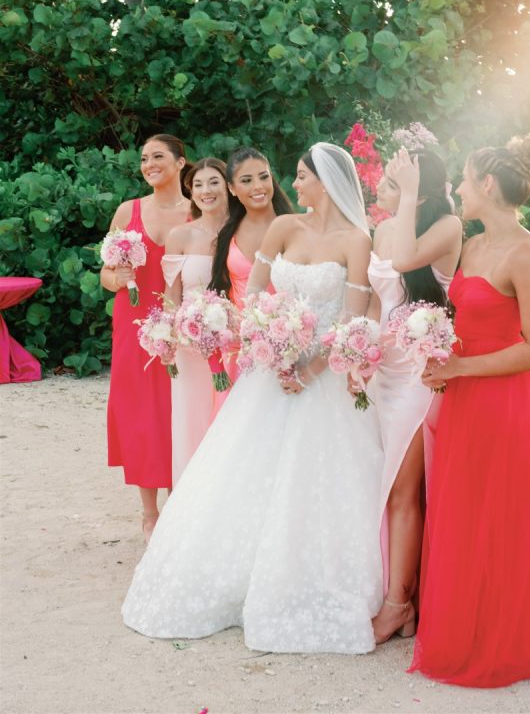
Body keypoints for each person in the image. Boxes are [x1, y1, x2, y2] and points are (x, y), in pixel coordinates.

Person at [122, 143, 384, 654]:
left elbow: (352, 317)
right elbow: (256, 296)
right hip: (268, 367)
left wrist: (308, 367)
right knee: (241, 471)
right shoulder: (287, 230)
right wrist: (269, 340)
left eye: (303, 176)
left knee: (311, 481)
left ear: (325, 183)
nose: (296, 183)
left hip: (321, 376)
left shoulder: (357, 239)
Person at [410, 134, 530, 686]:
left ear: (487, 186)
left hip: (507, 406)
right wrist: (439, 355)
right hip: (464, 400)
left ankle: (501, 637)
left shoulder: (527, 252)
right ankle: (461, 628)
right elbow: (466, 326)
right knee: (463, 512)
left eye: (465, 181)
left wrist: (462, 369)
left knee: (501, 516)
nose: (458, 190)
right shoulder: (471, 248)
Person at [362, 149, 462, 644]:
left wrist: (412, 195)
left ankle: (398, 606)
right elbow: (378, 299)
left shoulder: (447, 226)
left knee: (405, 491)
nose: (384, 184)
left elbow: (404, 261)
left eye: (397, 180)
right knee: (384, 487)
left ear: (420, 190)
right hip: (382, 373)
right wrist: (357, 350)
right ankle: (401, 591)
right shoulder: (382, 229)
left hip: (421, 377)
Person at [101, 134, 191, 543]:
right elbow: (104, 275)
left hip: (184, 329)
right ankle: (149, 513)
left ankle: (182, 504)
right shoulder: (128, 211)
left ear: (180, 162)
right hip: (134, 327)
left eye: (158, 156)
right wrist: (114, 278)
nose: (149, 164)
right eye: (144, 158)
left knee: (181, 411)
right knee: (141, 416)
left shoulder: (199, 211)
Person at [161, 157, 231, 487]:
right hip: (190, 346)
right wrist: (165, 336)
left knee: (228, 423)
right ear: (190, 190)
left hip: (234, 344)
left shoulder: (242, 231)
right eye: (198, 184)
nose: (206, 191)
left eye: (214, 182)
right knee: (191, 422)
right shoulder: (181, 235)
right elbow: (171, 294)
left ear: (228, 185)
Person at [208, 146, 293, 381]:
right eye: (246, 180)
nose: (258, 186)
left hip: (288, 344)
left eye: (264, 177)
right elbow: (220, 292)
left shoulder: (294, 228)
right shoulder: (227, 235)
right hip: (241, 349)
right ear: (232, 189)